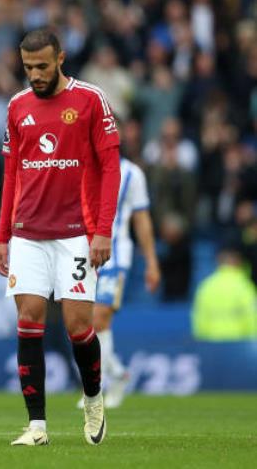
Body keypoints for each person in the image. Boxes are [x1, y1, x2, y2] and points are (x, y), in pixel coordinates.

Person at [0, 29, 121, 446]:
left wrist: (103, 230)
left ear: (61, 58)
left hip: (76, 234)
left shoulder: (90, 100)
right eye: (28, 67)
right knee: (28, 318)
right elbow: (11, 175)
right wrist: (2, 236)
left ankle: (94, 398)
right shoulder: (16, 106)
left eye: (42, 66)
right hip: (28, 231)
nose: (35, 74)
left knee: (77, 325)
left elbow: (111, 167)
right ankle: (37, 426)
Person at [87, 157, 161, 408]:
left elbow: (141, 219)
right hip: (79, 255)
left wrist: (151, 261)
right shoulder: (77, 162)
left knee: (100, 318)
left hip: (115, 257)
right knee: (80, 322)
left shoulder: (131, 173)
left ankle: (94, 388)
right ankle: (118, 374)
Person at [192, 245, 257, 341]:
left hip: (212, 344)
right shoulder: (245, 286)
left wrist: (202, 342)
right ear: (238, 262)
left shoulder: (206, 286)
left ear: (218, 262)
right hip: (240, 345)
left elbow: (199, 318)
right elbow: (252, 317)